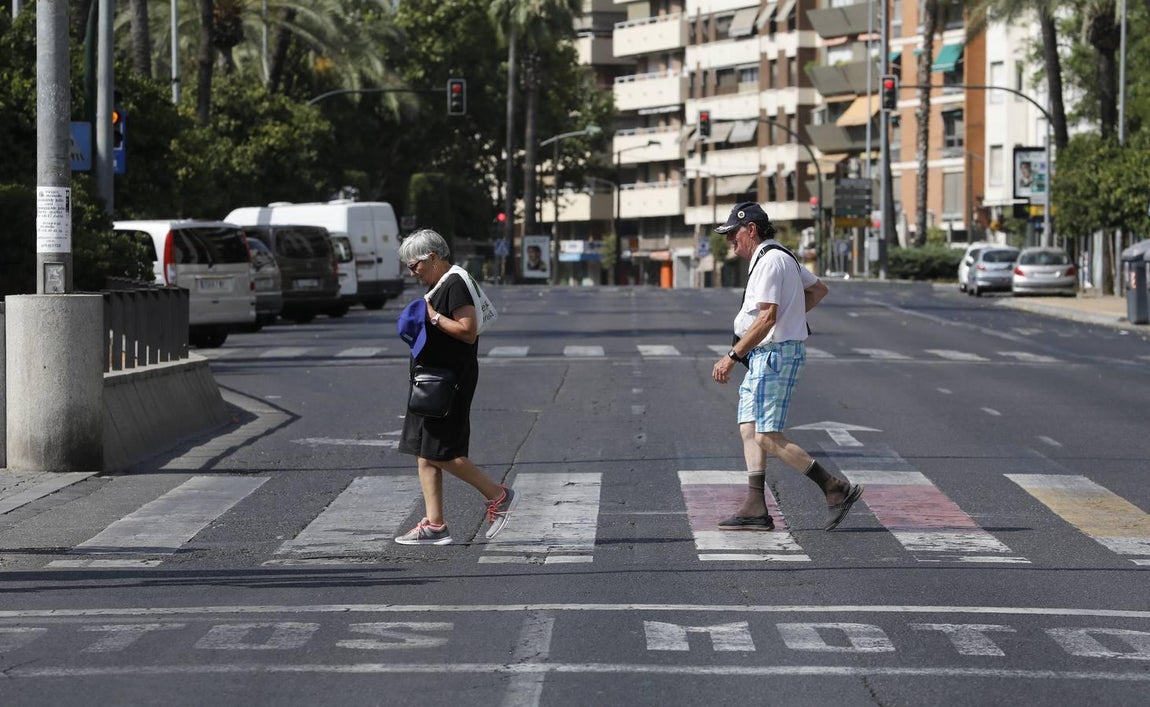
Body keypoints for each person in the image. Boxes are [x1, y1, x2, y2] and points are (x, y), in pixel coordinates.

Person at [710, 202, 863, 532]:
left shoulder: (771, 261)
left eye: (733, 234)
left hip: (774, 355)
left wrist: (732, 356)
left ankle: (835, 488)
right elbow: (818, 289)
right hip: (768, 353)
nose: (730, 241)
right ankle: (754, 506)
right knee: (749, 427)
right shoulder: (778, 256)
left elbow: (767, 317)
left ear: (750, 230)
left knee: (766, 436)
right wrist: (793, 317)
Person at [394, 229, 518, 545]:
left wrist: (432, 316)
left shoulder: (455, 284)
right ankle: (435, 525)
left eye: (414, 265)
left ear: (433, 258)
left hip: (448, 383)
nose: (412, 272)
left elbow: (468, 331)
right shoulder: (443, 282)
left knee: (444, 452)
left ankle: (499, 495)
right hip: (433, 380)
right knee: (424, 450)